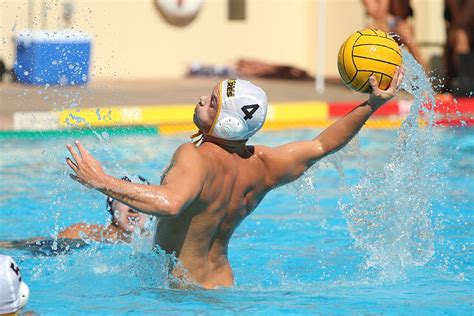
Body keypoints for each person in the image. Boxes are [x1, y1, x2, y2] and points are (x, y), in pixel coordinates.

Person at [66, 70, 404, 289]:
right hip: (225, 287)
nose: (201, 100)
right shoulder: (263, 165)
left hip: (182, 295)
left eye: (212, 103)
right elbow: (323, 144)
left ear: (225, 123)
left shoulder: (194, 156)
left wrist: (101, 180)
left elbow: (170, 204)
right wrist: (372, 104)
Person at [0, 176, 151, 253]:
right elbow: (39, 245)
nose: (133, 208)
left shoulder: (159, 241)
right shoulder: (84, 232)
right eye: (126, 200)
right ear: (111, 207)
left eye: (140, 201)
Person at [362, 0, 427, 70]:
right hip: (380, 25)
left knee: (410, 39)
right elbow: (378, 15)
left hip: (400, 24)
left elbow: (402, 12)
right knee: (372, 30)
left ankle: (425, 75)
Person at [443, 0, 474, 93]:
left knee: (460, 37)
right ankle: (463, 84)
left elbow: (463, 21)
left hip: (466, 32)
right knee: (459, 37)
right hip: (460, 34)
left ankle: (466, 84)